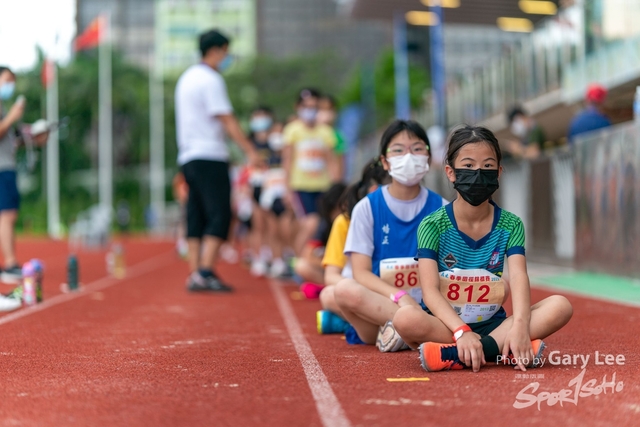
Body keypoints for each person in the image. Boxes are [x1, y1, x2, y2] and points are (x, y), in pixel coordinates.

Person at [392, 125, 573, 372]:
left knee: (560, 305)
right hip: (445, 324)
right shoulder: (432, 225)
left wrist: (520, 325)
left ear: (499, 172)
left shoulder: (511, 224)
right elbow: (430, 292)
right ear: (451, 172)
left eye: (487, 166)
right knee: (405, 318)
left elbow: (519, 275)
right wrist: (461, 331)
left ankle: (460, 354)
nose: (478, 173)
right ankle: (501, 350)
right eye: (467, 166)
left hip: (492, 324)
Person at [333, 120, 447, 352]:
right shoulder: (367, 208)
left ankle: (406, 332)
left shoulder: (443, 209)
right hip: (383, 306)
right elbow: (361, 272)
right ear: (385, 162)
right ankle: (414, 329)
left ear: (428, 157)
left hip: (430, 307)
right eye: (398, 150)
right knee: (343, 290)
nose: (408, 156)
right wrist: (400, 298)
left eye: (416, 149)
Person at [175, 29, 260, 292]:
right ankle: (205, 270)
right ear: (216, 50)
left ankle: (195, 273)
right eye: (226, 52)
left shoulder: (186, 78)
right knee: (220, 213)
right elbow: (227, 119)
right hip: (209, 154)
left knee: (196, 214)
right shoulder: (210, 79)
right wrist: (250, 151)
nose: (227, 57)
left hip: (188, 156)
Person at [316, 159, 389, 334]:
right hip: (365, 292)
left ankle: (351, 325)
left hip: (395, 291)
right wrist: (361, 289)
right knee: (329, 294)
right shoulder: (345, 221)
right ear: (371, 189)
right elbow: (331, 275)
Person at [282, 89, 337, 257]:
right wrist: (287, 188)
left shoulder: (326, 132)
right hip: (301, 186)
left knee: (318, 226)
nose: (310, 110)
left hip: (322, 186)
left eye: (314, 106)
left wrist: (335, 186)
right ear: (298, 107)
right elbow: (287, 160)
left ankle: (303, 258)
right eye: (306, 106)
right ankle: (298, 260)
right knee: (311, 223)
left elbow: (331, 160)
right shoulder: (293, 130)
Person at [294, 182, 347, 298]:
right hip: (335, 270)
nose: (337, 214)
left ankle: (327, 288)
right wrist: (331, 263)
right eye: (334, 209)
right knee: (301, 265)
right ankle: (328, 286)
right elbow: (307, 254)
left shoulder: (354, 222)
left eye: (341, 208)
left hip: (353, 270)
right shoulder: (325, 225)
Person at [0, 66, 25, 284]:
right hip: (1, 168)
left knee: (9, 215)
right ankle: (9, 264)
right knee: (6, 215)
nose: (10, 85)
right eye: (7, 80)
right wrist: (12, 117)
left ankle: (9, 263)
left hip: (7, 165)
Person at [246, 106, 276, 277]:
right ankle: (257, 258)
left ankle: (272, 255)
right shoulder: (250, 144)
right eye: (257, 116)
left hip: (272, 186)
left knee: (272, 225)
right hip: (256, 186)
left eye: (264, 116)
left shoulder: (275, 141)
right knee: (258, 225)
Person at [317, 95, 346, 183]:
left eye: (329, 109)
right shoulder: (308, 134)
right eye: (322, 109)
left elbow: (340, 163)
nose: (325, 113)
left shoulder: (338, 136)